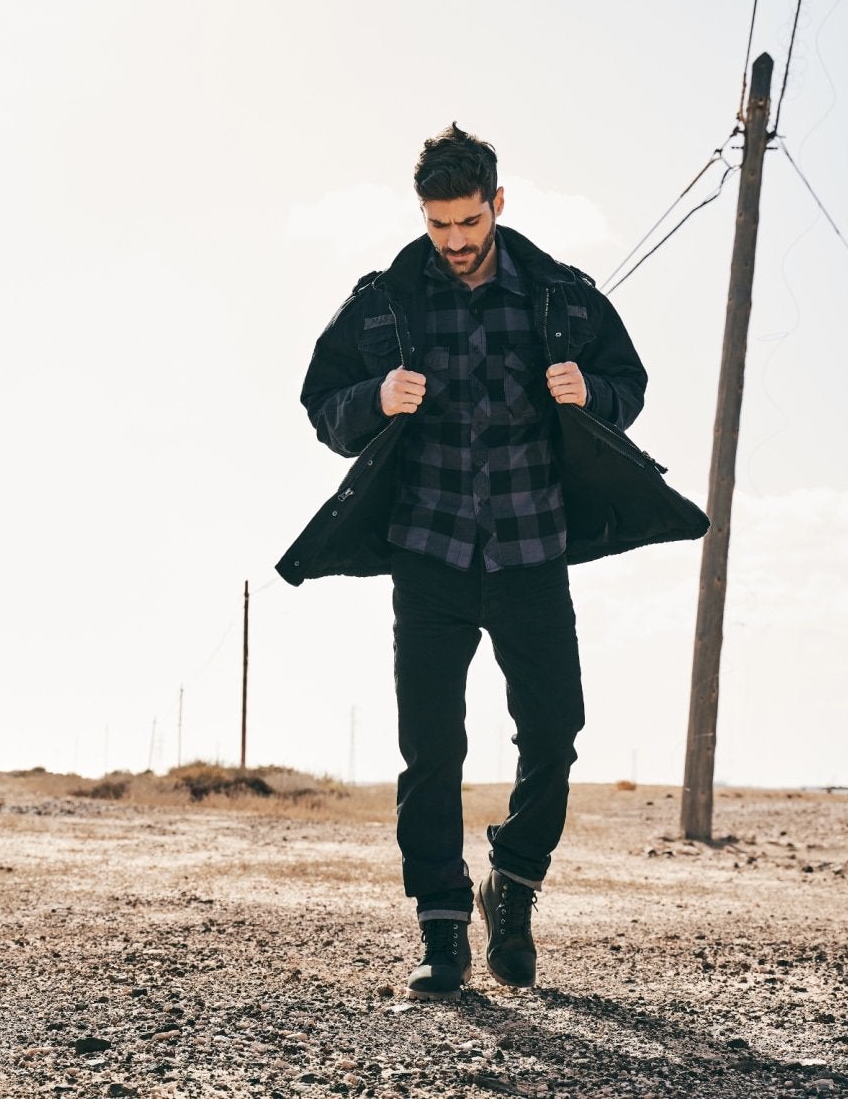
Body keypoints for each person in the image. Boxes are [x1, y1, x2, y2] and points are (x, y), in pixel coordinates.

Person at [279, 124, 698, 998]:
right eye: (440, 226)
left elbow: (631, 382)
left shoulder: (559, 295)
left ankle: (512, 881)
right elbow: (322, 402)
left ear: (497, 204)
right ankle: (441, 928)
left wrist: (594, 394)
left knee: (555, 732)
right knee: (430, 748)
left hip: (531, 547)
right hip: (426, 550)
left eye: (469, 222)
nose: (457, 242)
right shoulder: (385, 301)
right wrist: (373, 399)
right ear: (423, 215)